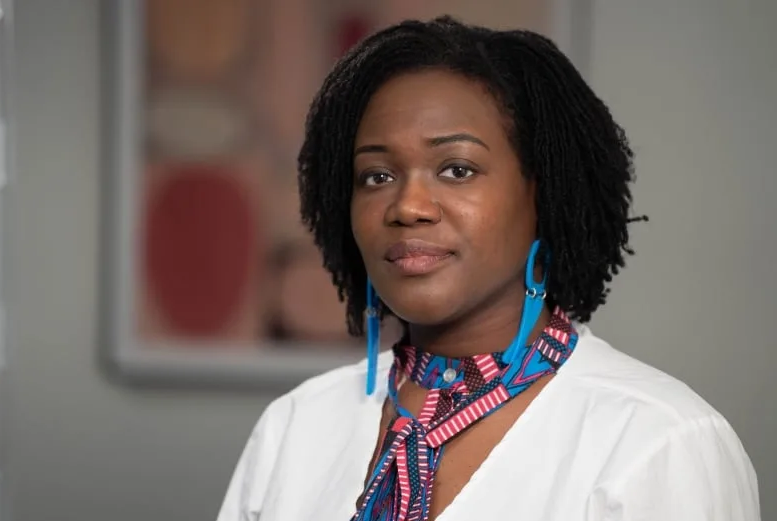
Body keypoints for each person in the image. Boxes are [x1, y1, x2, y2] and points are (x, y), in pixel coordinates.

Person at [216, 16, 760, 521]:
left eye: (457, 169)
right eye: (377, 176)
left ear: (544, 194)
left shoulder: (658, 441)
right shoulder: (295, 426)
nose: (407, 206)